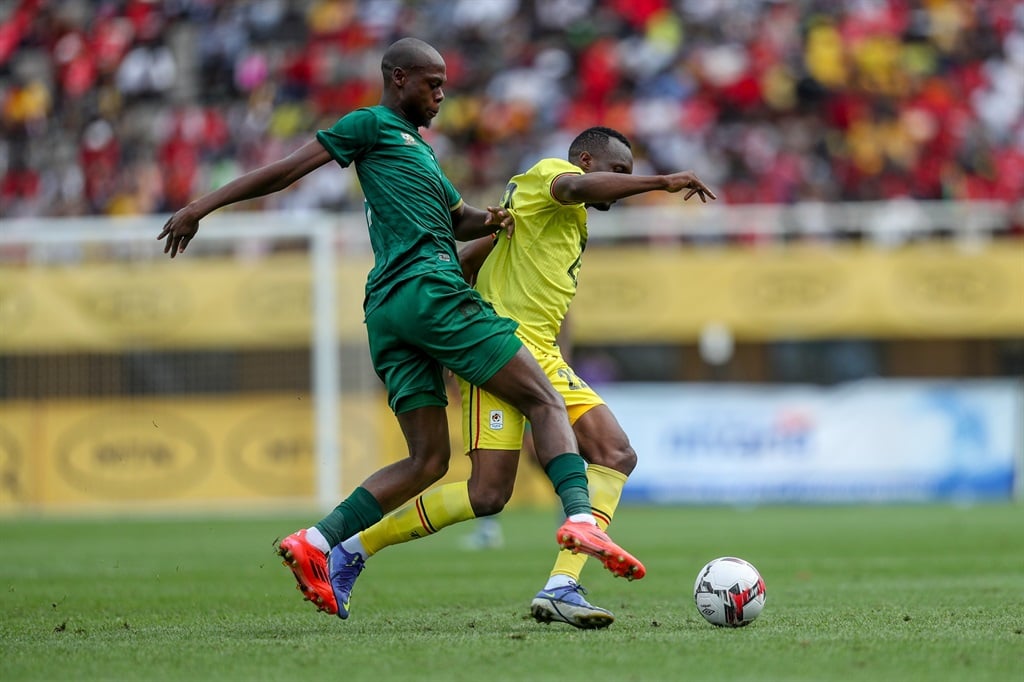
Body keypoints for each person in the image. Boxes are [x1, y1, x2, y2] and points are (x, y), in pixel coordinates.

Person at [157, 39, 644, 618]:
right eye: (431, 84)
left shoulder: (422, 156)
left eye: (443, 85)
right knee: (544, 397)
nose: (441, 95)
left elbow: (459, 221)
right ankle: (582, 524)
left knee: (428, 462)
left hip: (387, 310)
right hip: (427, 291)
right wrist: (200, 207)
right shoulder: (371, 125)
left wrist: (490, 220)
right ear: (397, 79)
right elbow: (286, 171)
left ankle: (317, 543)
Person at [325, 126, 716, 628]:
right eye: (619, 171)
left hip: (533, 354)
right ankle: (357, 550)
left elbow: (470, 258)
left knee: (546, 475)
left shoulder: (545, 218)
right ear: (585, 159)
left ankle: (557, 584)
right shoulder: (551, 175)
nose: (623, 183)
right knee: (551, 473)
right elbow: (575, 187)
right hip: (503, 349)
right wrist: (660, 182)